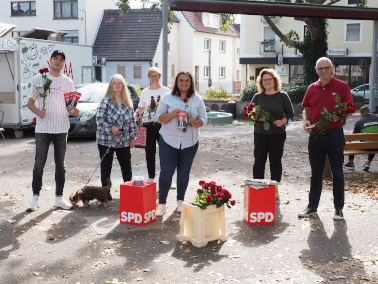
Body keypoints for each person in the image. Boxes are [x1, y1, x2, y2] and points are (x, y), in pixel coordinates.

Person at [299, 57, 353, 220]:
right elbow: (306, 109)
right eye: (320, 68)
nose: (323, 71)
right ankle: (312, 207)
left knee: (337, 172)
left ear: (332, 68)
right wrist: (306, 120)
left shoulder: (342, 87)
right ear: (316, 70)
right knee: (316, 173)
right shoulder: (311, 88)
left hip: (335, 135)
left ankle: (338, 209)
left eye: (326, 68)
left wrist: (339, 117)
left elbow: (349, 109)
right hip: (315, 136)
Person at [26, 50, 80, 211]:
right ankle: (35, 198)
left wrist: (74, 111)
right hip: (43, 128)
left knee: (60, 165)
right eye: (55, 58)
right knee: (38, 164)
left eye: (61, 59)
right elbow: (30, 103)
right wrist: (38, 112)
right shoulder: (39, 78)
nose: (58, 61)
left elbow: (71, 107)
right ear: (50, 61)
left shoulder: (68, 82)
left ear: (64, 63)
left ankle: (59, 198)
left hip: (61, 128)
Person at [155, 71, 207, 215]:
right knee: (166, 172)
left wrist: (195, 122)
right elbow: (159, 117)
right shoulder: (167, 98)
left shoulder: (197, 99)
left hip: (189, 142)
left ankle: (180, 202)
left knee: (184, 172)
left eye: (187, 81)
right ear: (177, 82)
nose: (184, 83)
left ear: (191, 83)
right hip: (168, 140)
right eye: (181, 80)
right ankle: (162, 204)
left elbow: (204, 119)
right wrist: (171, 115)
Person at [251, 68, 294, 199]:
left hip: (277, 135)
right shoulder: (257, 97)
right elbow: (249, 114)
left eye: (269, 79)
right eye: (264, 80)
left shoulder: (283, 96)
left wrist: (283, 121)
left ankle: (274, 189)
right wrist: (257, 118)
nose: (267, 82)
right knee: (259, 161)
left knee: (275, 162)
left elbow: (291, 114)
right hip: (260, 134)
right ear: (261, 82)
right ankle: (258, 187)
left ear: (275, 81)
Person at [96, 74, 137, 200]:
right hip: (106, 140)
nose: (117, 85)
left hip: (124, 140)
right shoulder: (106, 101)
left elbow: (132, 121)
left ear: (123, 86)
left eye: (120, 83)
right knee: (106, 167)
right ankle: (105, 193)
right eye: (115, 83)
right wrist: (111, 128)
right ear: (111, 86)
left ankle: (129, 191)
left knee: (126, 166)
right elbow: (99, 120)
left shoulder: (127, 102)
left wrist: (133, 137)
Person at [134, 67, 170, 182]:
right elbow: (141, 107)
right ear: (149, 77)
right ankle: (151, 177)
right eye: (152, 76)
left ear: (159, 77)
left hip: (163, 125)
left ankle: (168, 177)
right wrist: (136, 114)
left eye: (156, 76)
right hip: (148, 125)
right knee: (150, 153)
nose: (154, 78)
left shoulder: (166, 91)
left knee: (166, 153)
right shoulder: (145, 92)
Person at [344, 106, 378, 171]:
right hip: (376, 146)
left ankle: (350, 163)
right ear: (370, 112)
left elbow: (353, 137)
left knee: (353, 142)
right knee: (374, 141)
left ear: (361, 114)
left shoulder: (359, 121)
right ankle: (368, 162)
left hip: (367, 147)